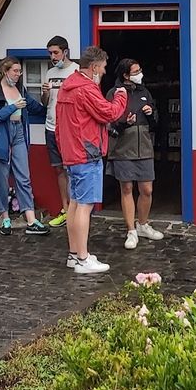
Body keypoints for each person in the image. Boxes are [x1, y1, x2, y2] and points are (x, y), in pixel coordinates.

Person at [55, 45, 129, 273]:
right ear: (94, 67)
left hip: (71, 152)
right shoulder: (86, 89)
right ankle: (83, 258)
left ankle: (73, 254)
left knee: (74, 204)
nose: (105, 72)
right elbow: (109, 113)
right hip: (86, 153)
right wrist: (121, 97)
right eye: (104, 67)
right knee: (85, 206)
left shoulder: (67, 87)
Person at [0, 57, 48, 234]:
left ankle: (31, 220)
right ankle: (5, 218)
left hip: (18, 132)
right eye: (15, 71)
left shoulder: (20, 89)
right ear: (5, 71)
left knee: (23, 176)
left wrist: (50, 104)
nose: (19, 74)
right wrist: (12, 108)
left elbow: (35, 108)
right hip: (1, 135)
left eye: (20, 71)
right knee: (1, 179)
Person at [107, 58, 165, 249]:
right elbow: (109, 122)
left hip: (145, 147)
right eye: (136, 71)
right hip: (123, 148)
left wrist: (151, 114)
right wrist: (125, 122)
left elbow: (155, 123)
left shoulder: (144, 92)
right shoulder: (114, 93)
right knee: (126, 189)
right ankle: (131, 230)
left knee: (147, 189)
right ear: (125, 75)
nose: (140, 73)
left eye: (140, 69)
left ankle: (143, 224)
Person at [39, 35, 78, 227]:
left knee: (72, 169)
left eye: (55, 52)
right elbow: (45, 103)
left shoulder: (77, 71)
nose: (53, 56)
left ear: (65, 52)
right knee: (59, 169)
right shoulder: (49, 72)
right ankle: (65, 209)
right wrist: (45, 93)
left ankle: (76, 210)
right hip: (51, 126)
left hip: (69, 129)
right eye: (50, 53)